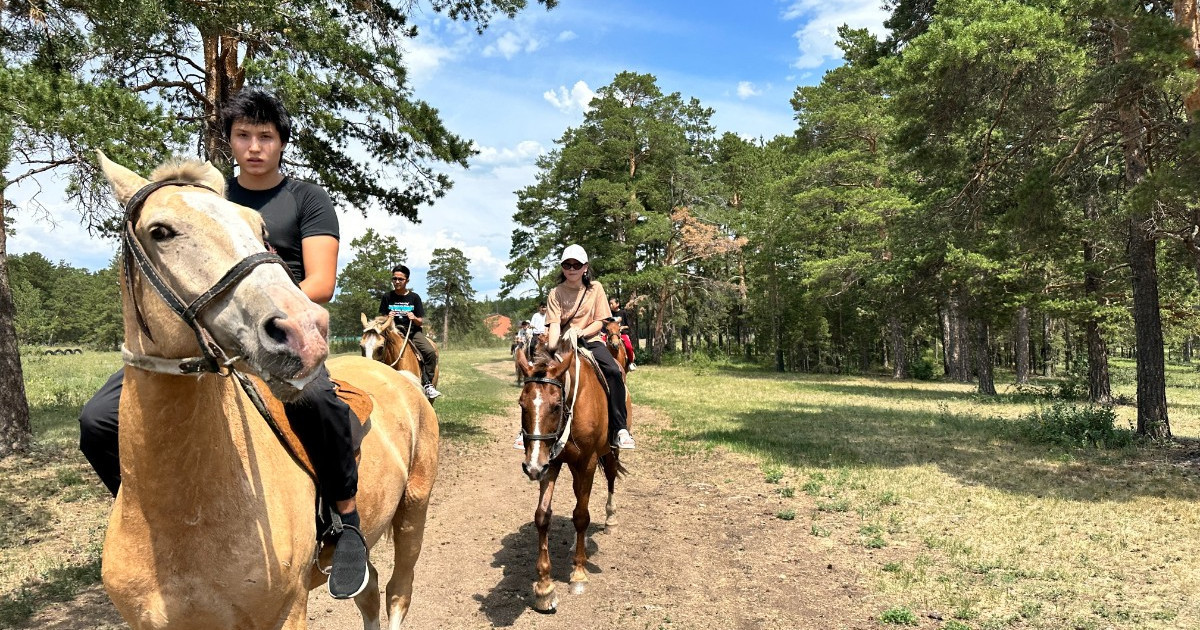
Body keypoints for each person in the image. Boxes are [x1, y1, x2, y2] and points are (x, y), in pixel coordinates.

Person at [77, 88, 371, 600]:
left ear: (281, 143)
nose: (254, 146)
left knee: (321, 402)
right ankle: (152, 520)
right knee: (97, 420)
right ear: (229, 142)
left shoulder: (306, 199)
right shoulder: (210, 203)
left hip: (278, 327)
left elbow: (321, 281)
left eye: (266, 136)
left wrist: (272, 317)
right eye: (243, 135)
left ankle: (346, 521)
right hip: (203, 337)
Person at [514, 244, 634, 451]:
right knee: (537, 376)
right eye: (567, 264)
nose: (572, 268)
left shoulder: (595, 288)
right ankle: (524, 431)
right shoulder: (556, 292)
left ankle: (619, 428)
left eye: (576, 264)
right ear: (562, 267)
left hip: (591, 340)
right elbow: (553, 324)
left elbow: (600, 321)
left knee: (614, 372)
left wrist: (580, 332)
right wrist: (552, 348)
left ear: (585, 267)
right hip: (562, 342)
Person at [378, 265, 441, 400]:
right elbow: (382, 319)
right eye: (394, 278)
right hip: (392, 333)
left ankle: (428, 384)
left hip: (412, 333)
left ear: (407, 280)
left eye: (400, 279)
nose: (397, 281)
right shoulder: (387, 297)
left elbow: (420, 321)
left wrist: (414, 318)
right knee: (376, 349)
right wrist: (387, 316)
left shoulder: (414, 297)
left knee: (429, 352)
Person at [608, 297, 637, 371]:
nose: (610, 305)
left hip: (622, 334)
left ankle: (630, 362)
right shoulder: (609, 314)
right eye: (609, 304)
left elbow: (627, 325)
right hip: (611, 334)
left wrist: (621, 328)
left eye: (612, 303)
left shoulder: (623, 313)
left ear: (617, 304)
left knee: (628, 347)